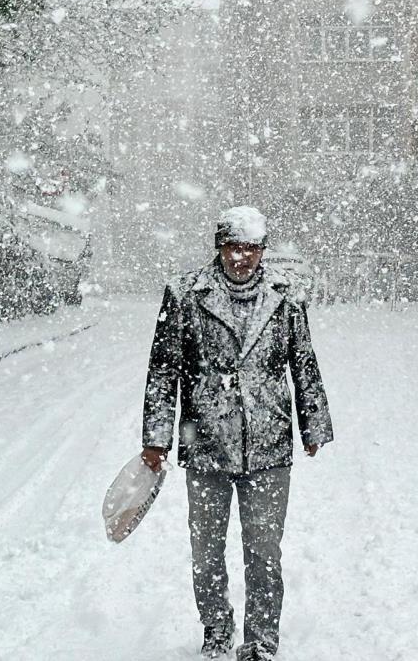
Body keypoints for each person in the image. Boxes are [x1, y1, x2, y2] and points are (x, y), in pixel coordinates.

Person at [141, 206, 333, 660]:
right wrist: (156, 437)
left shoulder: (284, 296)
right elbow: (164, 369)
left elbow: (302, 361)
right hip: (204, 441)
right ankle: (216, 630)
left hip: (268, 442)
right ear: (219, 248)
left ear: (262, 250)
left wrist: (314, 422)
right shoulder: (186, 293)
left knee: (264, 552)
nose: (241, 257)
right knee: (206, 550)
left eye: (250, 248)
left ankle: (261, 641)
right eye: (233, 247)